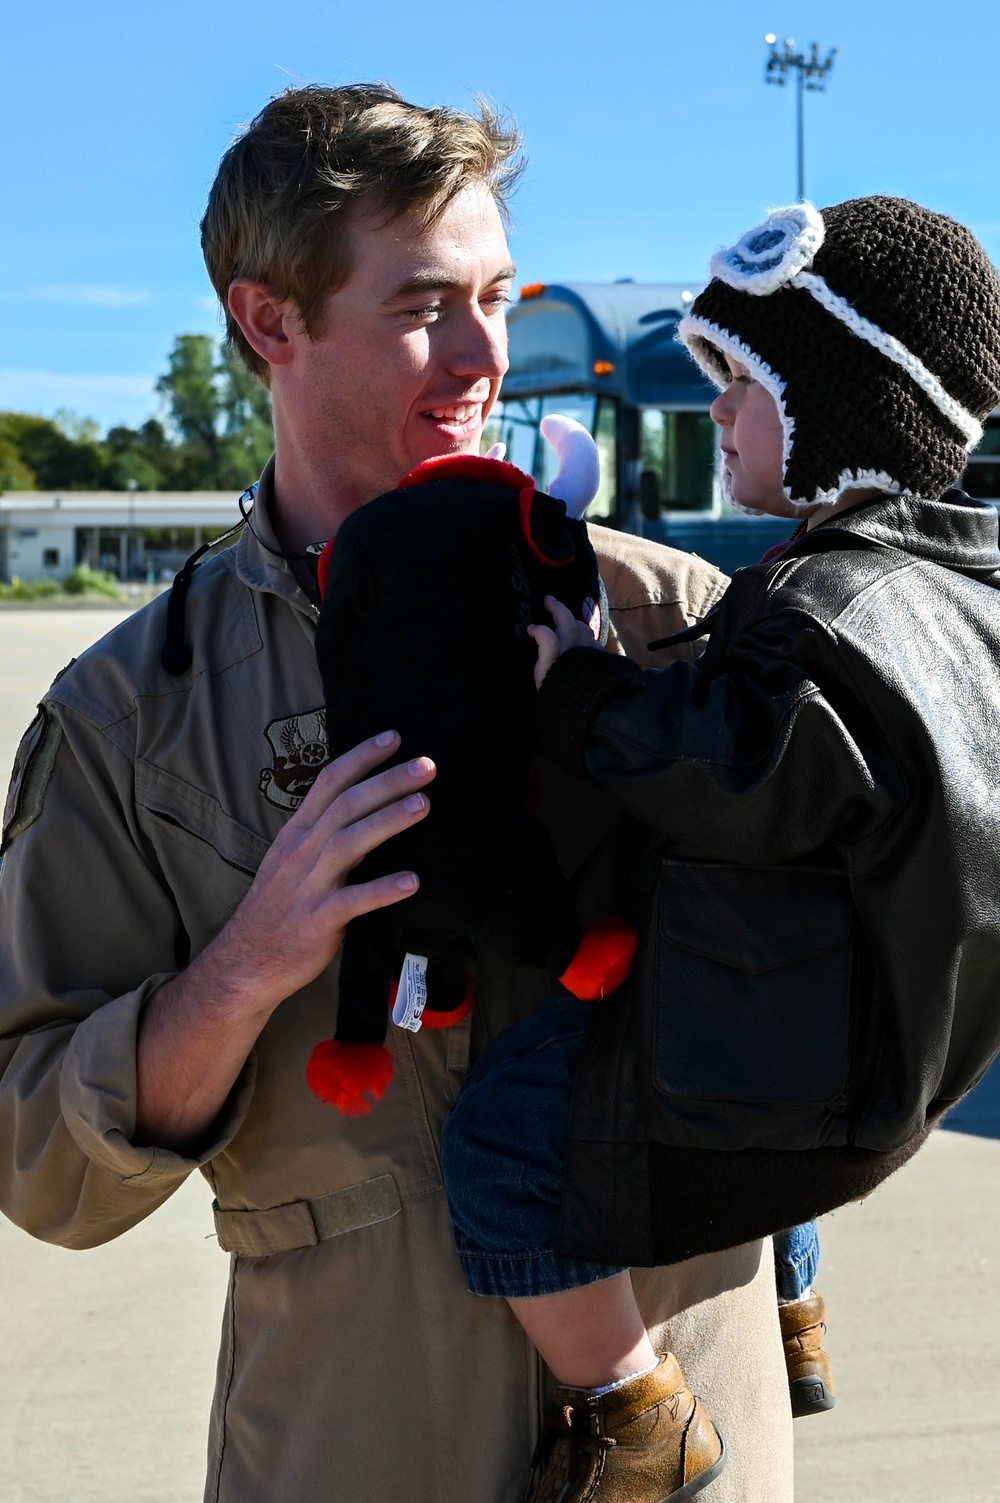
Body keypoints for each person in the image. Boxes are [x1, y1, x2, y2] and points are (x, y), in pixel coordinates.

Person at [0, 85, 793, 1503]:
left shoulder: (678, 621)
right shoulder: (139, 710)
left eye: (499, 295)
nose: (486, 355)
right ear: (268, 323)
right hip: (354, 1443)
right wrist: (245, 970)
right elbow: (40, 1160)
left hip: (693, 1432)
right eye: (426, 305)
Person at [441, 195, 1000, 1503]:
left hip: (796, 1075)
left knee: (504, 1151)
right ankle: (795, 1304)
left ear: (839, 409)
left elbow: (722, 772)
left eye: (740, 387)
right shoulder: (963, 584)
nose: (713, 416)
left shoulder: (829, 610)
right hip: (893, 1048)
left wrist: (580, 687)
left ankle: (635, 1415)